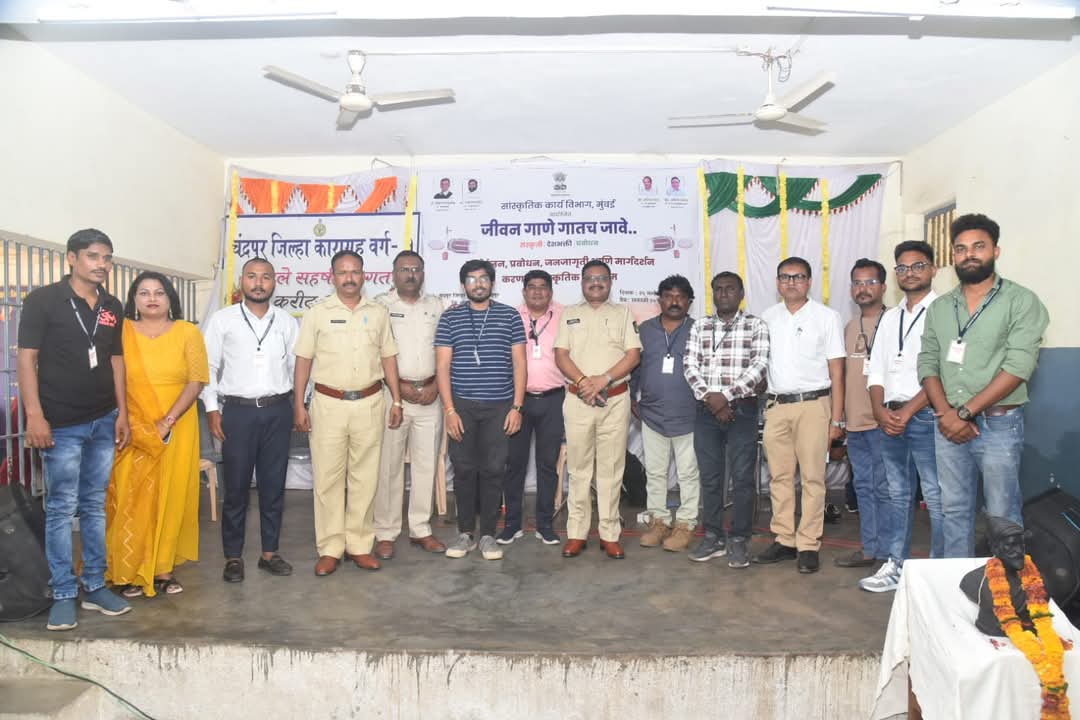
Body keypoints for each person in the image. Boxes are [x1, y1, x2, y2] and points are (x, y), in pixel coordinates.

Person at [16, 228, 132, 630]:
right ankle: (64, 592)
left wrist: (122, 413)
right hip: (61, 423)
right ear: (71, 258)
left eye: (107, 258)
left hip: (104, 418)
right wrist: (35, 415)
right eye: (93, 256)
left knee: (94, 505)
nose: (102, 265)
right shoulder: (43, 300)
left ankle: (95, 585)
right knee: (62, 508)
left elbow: (116, 361)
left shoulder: (112, 306)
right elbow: (26, 359)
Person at [919, 213, 1049, 558]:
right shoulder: (940, 308)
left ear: (996, 251)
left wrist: (963, 413)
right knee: (953, 511)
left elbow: (1019, 367)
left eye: (979, 246)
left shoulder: (1021, 301)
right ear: (953, 255)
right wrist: (946, 414)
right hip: (947, 426)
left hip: (998, 425)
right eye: (961, 249)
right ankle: (956, 584)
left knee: (1002, 514)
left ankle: (1006, 588)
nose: (969, 255)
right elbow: (927, 363)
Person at [293, 250, 403, 577]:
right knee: (327, 479)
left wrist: (397, 400)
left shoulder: (378, 313)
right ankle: (330, 548)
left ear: (364, 276)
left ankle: (359, 545)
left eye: (355, 271)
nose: (349, 278)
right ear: (333, 277)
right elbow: (303, 360)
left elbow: (388, 357)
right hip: (328, 405)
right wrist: (298, 404)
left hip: (370, 403)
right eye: (343, 272)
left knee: (365, 479)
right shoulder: (317, 313)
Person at [106, 271, 209, 598]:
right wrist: (127, 418)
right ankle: (128, 568)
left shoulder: (187, 332)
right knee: (129, 494)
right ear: (134, 300)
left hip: (177, 423)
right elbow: (111, 376)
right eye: (144, 293)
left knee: (170, 492)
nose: (152, 298)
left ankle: (163, 567)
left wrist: (167, 421)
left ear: (170, 299)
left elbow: (196, 381)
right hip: (130, 424)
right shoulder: (120, 332)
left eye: (159, 292)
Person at [201, 257, 297, 583]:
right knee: (237, 488)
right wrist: (212, 409)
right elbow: (208, 367)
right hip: (237, 413)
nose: (258, 283)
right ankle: (233, 557)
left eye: (265, 277)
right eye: (252, 276)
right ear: (242, 281)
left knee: (273, 486)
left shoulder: (286, 321)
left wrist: (299, 405)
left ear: (274, 282)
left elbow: (298, 367)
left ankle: (270, 553)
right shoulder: (223, 320)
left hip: (277, 410)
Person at [755, 257, 845, 574]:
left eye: (798, 277)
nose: (791, 282)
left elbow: (837, 371)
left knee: (813, 479)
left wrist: (837, 419)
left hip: (814, 406)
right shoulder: (767, 318)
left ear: (809, 282)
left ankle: (808, 543)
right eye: (785, 277)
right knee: (779, 478)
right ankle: (784, 539)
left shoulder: (827, 317)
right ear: (777, 282)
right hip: (776, 407)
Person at [864, 241, 943, 593]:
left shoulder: (943, 311)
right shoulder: (890, 317)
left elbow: (942, 372)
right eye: (902, 267)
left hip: (927, 415)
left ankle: (938, 572)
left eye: (918, 266)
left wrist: (909, 410)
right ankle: (896, 564)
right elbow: (876, 369)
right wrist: (880, 411)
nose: (909, 273)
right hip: (890, 417)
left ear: (933, 269)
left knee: (936, 497)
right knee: (897, 495)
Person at [435, 259, 526, 560]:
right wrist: (449, 410)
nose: (478, 284)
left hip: (500, 406)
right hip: (461, 406)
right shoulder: (450, 319)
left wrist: (517, 407)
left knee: (493, 470)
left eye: (484, 278)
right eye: (472, 279)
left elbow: (519, 364)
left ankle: (488, 535)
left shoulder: (509, 316)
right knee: (463, 470)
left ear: (492, 283)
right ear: (464, 285)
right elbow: (443, 366)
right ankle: (465, 534)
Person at [554, 259, 642, 560]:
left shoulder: (623, 313)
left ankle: (609, 534)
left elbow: (633, 355)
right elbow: (561, 355)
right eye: (590, 278)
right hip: (578, 401)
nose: (596, 283)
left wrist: (603, 380)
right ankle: (577, 534)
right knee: (578, 470)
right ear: (582, 282)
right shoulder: (570, 313)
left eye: (601, 278)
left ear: (610, 282)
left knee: (611, 469)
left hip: (615, 400)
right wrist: (583, 383)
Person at [683, 272, 769, 569]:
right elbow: (689, 365)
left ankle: (739, 538)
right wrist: (711, 398)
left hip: (742, 409)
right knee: (710, 477)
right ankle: (713, 535)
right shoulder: (700, 326)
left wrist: (726, 396)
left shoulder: (756, 325)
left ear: (741, 293)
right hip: (706, 410)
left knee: (742, 478)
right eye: (718, 289)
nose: (723, 293)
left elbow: (759, 365)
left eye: (730, 289)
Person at [372, 251, 447, 559]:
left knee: (426, 465)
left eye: (416, 269)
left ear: (423, 274)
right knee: (388, 466)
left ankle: (420, 528)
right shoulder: (380, 306)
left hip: (430, 396)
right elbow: (374, 351)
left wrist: (435, 386)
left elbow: (445, 350)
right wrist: (398, 389)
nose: (410, 274)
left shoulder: (437, 306)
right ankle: (385, 532)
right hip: (393, 398)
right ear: (393, 274)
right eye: (404, 269)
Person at [631, 275, 700, 552]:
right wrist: (631, 397)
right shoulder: (645, 330)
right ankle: (658, 522)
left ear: (689, 302)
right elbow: (635, 366)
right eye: (669, 296)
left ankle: (685, 525)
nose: (674, 301)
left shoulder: (699, 329)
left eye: (680, 296)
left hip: (689, 415)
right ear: (659, 300)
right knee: (655, 473)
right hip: (652, 414)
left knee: (688, 474)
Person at [501, 270, 565, 546]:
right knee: (514, 464)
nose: (537, 291)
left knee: (547, 465)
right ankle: (512, 524)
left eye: (543, 287)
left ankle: (545, 525)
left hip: (554, 399)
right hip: (519, 401)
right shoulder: (511, 316)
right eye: (532, 287)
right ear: (524, 291)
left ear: (550, 291)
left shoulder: (565, 316)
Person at [835, 259, 889, 573]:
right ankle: (870, 548)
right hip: (855, 424)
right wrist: (840, 420)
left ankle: (890, 552)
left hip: (885, 423)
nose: (863, 289)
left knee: (887, 490)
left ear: (883, 287)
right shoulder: (850, 326)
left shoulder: (894, 322)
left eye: (870, 282)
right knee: (864, 489)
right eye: (857, 283)